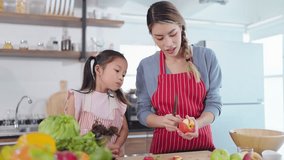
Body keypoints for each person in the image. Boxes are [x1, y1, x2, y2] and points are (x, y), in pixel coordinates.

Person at [136, 1, 222, 154]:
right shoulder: (146, 66)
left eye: (172, 34)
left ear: (181, 27)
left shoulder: (207, 57)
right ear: (152, 36)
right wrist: (161, 121)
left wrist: (198, 123)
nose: (168, 43)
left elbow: (214, 103)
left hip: (201, 149)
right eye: (159, 38)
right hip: (163, 152)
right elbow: (142, 111)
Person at [65, 50, 129, 158]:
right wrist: (98, 150)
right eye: (117, 70)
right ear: (98, 69)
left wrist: (117, 146)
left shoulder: (117, 101)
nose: (121, 77)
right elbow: (68, 136)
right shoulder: (77, 98)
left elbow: (124, 129)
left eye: (123, 74)